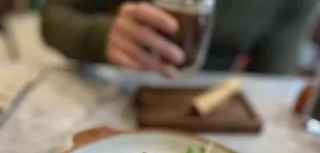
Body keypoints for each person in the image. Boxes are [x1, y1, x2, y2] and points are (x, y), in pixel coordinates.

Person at [41, 0, 318, 77]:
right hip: (116, 86)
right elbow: (53, 17)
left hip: (209, 108)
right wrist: (101, 36)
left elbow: (271, 79)